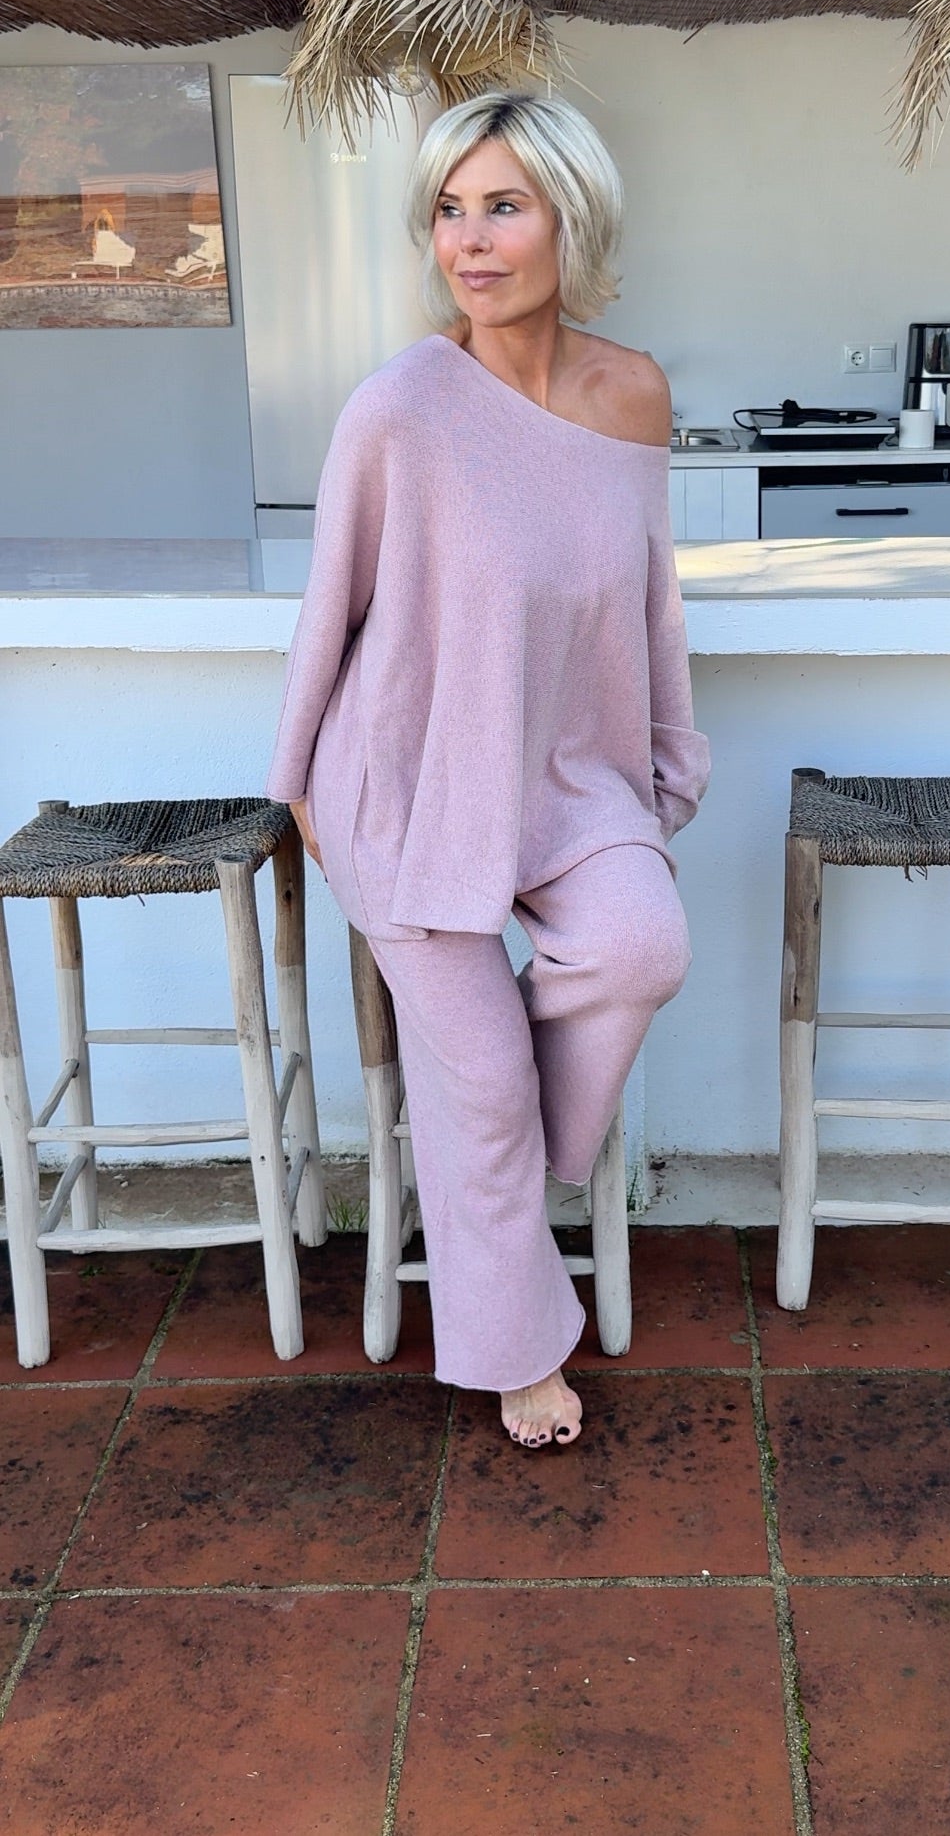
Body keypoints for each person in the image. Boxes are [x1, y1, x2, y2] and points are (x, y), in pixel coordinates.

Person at [264, 90, 710, 1450]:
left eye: (502, 207)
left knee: (639, 948)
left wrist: (660, 760)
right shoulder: (398, 408)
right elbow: (332, 604)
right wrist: (301, 785)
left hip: (571, 783)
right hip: (407, 787)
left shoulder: (633, 394)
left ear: (573, 219)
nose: (468, 240)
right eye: (449, 211)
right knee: (484, 1088)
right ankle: (516, 1350)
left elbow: (647, 599)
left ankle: (508, 1151)